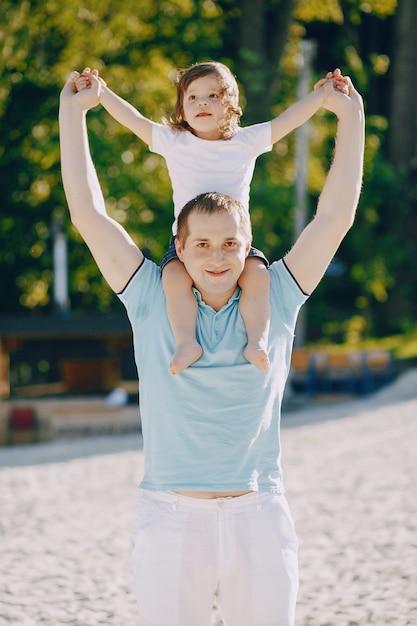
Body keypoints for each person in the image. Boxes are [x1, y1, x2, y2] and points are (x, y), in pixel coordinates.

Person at [59, 67, 364, 626]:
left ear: (249, 246)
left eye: (229, 243)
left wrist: (351, 116)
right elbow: (88, 214)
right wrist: (74, 114)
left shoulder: (277, 293)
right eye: (200, 243)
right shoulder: (151, 296)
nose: (216, 256)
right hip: (171, 518)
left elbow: (336, 216)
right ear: (178, 247)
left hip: (260, 515)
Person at [74, 61, 348, 375]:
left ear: (231, 106)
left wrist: (322, 96)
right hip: (188, 245)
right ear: (181, 109)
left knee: (258, 277)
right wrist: (101, 93)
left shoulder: (246, 142)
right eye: (192, 97)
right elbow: (133, 119)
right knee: (172, 279)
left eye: (213, 96)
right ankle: (186, 341)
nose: (202, 102)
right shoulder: (174, 142)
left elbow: (288, 120)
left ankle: (257, 340)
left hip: (234, 245)